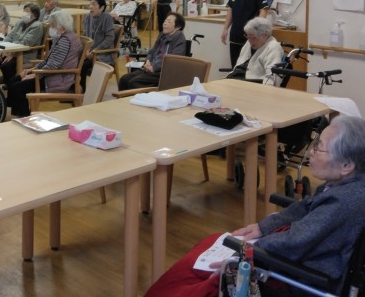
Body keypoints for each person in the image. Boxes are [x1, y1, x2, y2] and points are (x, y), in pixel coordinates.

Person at [144, 115, 365, 297]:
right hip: (300, 258)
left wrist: (244, 254)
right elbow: (305, 207)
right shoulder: (346, 184)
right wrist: (263, 227)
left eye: (319, 148)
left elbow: (295, 241)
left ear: (346, 165)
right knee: (213, 244)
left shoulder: (342, 203)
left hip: (300, 281)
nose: (311, 152)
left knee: (200, 277)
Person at [7, 10, 82, 117]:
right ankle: (16, 112)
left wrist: (36, 74)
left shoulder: (65, 41)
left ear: (62, 27)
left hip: (58, 78)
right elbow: (48, 60)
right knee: (14, 80)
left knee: (17, 87)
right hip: (51, 74)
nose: (50, 27)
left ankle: (24, 116)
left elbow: (53, 65)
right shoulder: (64, 37)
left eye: (53, 25)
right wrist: (32, 70)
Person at [118, 12, 187, 91]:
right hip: (151, 68)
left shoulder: (179, 37)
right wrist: (148, 61)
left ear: (178, 27)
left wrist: (154, 67)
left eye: (169, 22)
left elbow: (172, 59)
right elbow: (152, 51)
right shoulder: (162, 35)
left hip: (163, 72)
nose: (165, 23)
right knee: (124, 79)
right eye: (165, 21)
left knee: (134, 83)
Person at [221, 0, 269, 67]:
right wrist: (225, 29)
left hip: (251, 36)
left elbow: (263, 10)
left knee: (249, 68)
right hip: (235, 34)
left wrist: (258, 30)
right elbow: (231, 9)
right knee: (235, 66)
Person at [0, 3, 44, 85]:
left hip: (23, 54)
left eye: (27, 11)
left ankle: (11, 86)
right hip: (10, 51)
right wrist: (2, 50)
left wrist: (11, 52)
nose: (24, 13)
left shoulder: (37, 26)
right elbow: (9, 36)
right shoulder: (20, 22)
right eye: (24, 11)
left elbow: (25, 43)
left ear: (35, 15)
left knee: (6, 66)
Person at [230, 18, 284, 85]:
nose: (249, 41)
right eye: (248, 37)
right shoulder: (249, 42)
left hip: (251, 83)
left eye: (253, 38)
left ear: (264, 36)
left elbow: (271, 77)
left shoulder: (273, 47)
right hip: (235, 78)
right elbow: (238, 64)